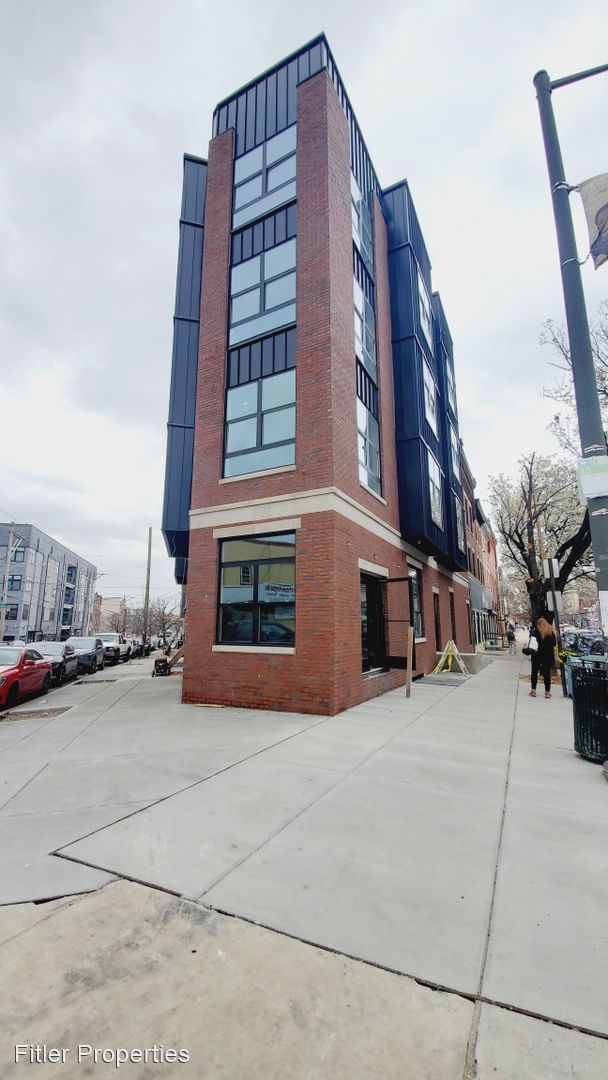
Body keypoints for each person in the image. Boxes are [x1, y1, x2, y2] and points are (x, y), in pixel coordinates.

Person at [529, 616, 557, 699]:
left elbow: (531, 641)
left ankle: (533, 690)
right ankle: (547, 692)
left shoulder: (535, 631)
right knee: (547, 674)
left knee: (534, 673)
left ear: (538, 624)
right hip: (547, 656)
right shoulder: (551, 632)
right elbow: (554, 644)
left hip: (536, 655)